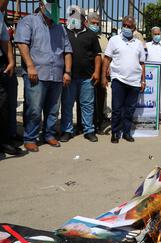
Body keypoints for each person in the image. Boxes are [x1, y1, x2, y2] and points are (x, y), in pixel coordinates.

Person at [15, 0, 73, 153]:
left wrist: (67, 71)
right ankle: (30, 138)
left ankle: (49, 134)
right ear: (41, 5)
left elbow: (67, 51)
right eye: (51, 5)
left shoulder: (60, 28)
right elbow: (22, 44)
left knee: (53, 109)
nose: (54, 9)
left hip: (57, 76)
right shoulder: (29, 21)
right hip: (36, 74)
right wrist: (30, 66)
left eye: (56, 6)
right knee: (34, 109)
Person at [60, 7, 101, 143]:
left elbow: (97, 56)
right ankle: (67, 130)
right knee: (67, 104)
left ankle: (89, 130)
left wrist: (96, 72)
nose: (74, 19)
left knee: (87, 105)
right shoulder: (64, 33)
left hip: (86, 78)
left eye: (77, 17)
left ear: (83, 19)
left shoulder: (91, 35)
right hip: (69, 77)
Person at [102, 16, 146, 144]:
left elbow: (142, 63)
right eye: (124, 25)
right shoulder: (114, 40)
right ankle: (115, 133)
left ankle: (126, 133)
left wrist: (143, 80)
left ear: (134, 29)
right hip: (118, 80)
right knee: (116, 108)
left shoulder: (138, 44)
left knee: (130, 109)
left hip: (134, 82)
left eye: (129, 26)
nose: (126, 28)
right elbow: (107, 59)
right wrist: (104, 76)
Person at [0, 0, 24, 156]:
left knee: (5, 103)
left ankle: (7, 136)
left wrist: (11, 60)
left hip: (3, 65)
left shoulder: (4, 17)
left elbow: (5, 40)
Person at [86, 12, 110, 135]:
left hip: (101, 74)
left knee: (100, 99)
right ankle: (84, 125)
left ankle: (99, 123)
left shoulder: (104, 39)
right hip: (87, 72)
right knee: (87, 100)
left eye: (97, 23)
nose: (95, 25)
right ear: (87, 23)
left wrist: (106, 73)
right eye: (93, 23)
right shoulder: (84, 36)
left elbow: (108, 56)